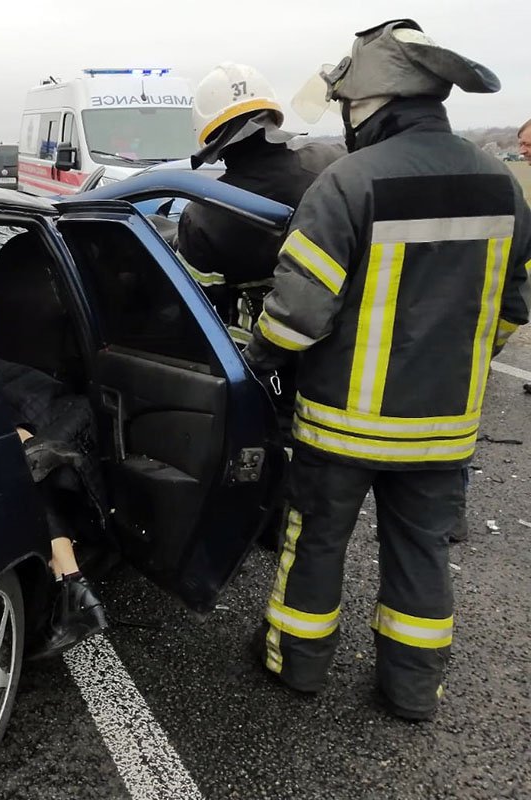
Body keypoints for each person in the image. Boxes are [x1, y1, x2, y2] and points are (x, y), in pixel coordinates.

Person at [243, 19, 531, 721]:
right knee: (423, 558)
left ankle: (298, 667)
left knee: (314, 547)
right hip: (443, 432)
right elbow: (512, 307)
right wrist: (457, 364)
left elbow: (295, 316)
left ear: (369, 103)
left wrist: (255, 362)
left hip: (343, 429)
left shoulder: (349, 182)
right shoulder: (502, 187)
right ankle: (411, 691)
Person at [178, 63, 346, 337]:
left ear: (210, 140)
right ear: (273, 116)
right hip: (334, 349)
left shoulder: (202, 216)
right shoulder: (334, 165)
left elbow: (200, 306)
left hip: (257, 357)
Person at [0, 357, 110, 659]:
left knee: (26, 470)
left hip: (36, 402)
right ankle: (72, 586)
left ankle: (72, 587)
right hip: (48, 405)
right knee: (32, 473)